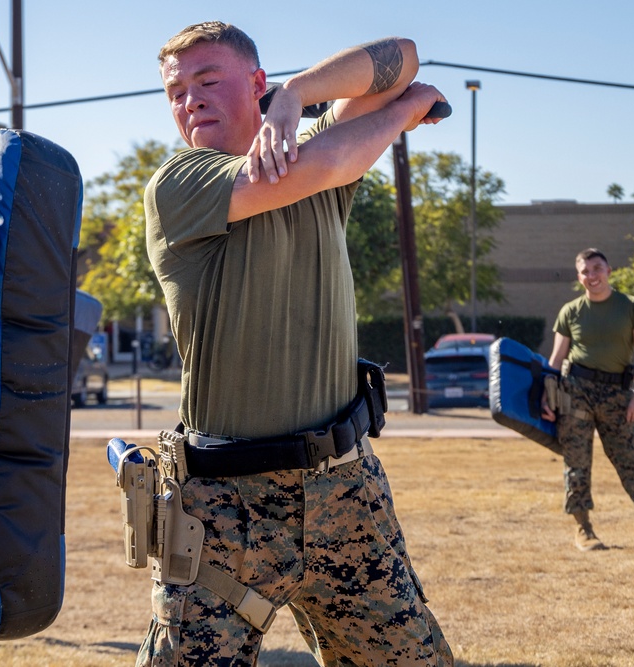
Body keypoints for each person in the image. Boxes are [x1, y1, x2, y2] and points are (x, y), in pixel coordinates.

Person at [142, 21, 452, 666]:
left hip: (343, 488)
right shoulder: (179, 183)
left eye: (208, 81)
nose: (189, 100)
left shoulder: (302, 137)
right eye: (175, 91)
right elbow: (339, 156)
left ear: (255, 84)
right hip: (223, 505)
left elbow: (402, 57)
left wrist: (295, 95)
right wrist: (408, 110)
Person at [541, 249, 634, 552]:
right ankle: (584, 529)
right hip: (575, 393)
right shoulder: (570, 311)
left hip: (617, 396)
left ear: (609, 270)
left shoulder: (632, 307)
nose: (592, 276)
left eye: (597, 269)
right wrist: (548, 394)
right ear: (579, 276)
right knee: (577, 463)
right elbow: (556, 359)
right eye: (585, 271)